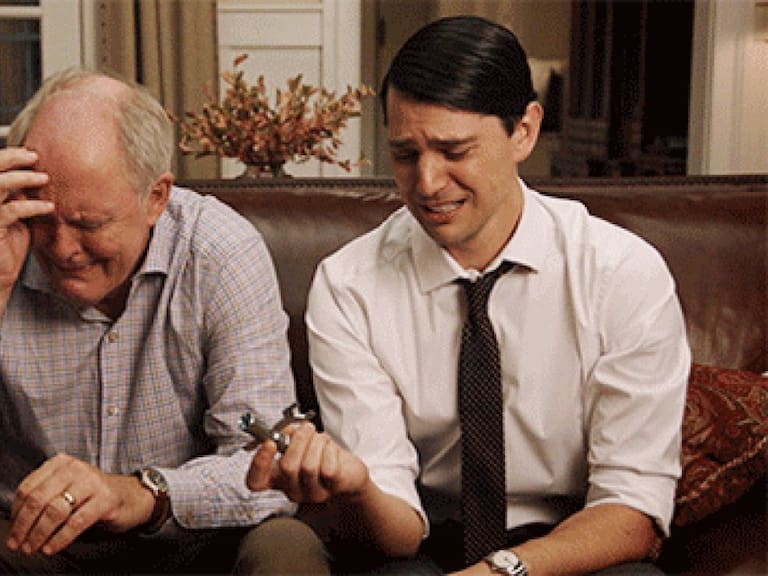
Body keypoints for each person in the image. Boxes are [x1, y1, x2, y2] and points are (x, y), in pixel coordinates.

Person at [246, 15, 690, 576]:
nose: (427, 183)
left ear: (524, 131)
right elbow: (397, 530)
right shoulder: (348, 284)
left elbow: (633, 509)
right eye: (405, 154)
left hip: (571, 545)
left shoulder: (623, 273)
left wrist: (499, 571)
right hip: (424, 542)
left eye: (454, 151)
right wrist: (360, 488)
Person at [0, 68, 329, 574]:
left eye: (90, 224)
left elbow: (265, 464)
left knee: (285, 546)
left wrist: (141, 494)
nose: (63, 250)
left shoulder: (220, 253)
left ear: (156, 197)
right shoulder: (6, 238)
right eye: (44, 218)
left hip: (190, 538)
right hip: (31, 544)